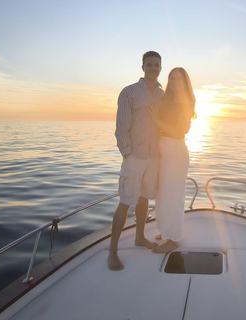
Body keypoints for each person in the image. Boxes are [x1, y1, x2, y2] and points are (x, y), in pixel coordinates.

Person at [108, 51, 164, 270]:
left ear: (161, 68)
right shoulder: (129, 92)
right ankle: (113, 251)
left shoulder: (162, 94)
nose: (153, 68)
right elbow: (121, 128)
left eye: (156, 65)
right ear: (142, 67)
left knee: (144, 199)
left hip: (154, 156)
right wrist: (127, 154)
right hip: (135, 156)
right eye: (149, 64)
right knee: (125, 201)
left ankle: (140, 237)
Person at [148, 67, 196, 253]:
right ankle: (165, 230)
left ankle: (173, 239)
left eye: (179, 79)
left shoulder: (186, 101)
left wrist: (155, 119)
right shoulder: (167, 99)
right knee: (162, 194)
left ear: (185, 82)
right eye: (172, 79)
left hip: (175, 151)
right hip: (164, 149)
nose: (175, 82)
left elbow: (180, 131)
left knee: (173, 196)